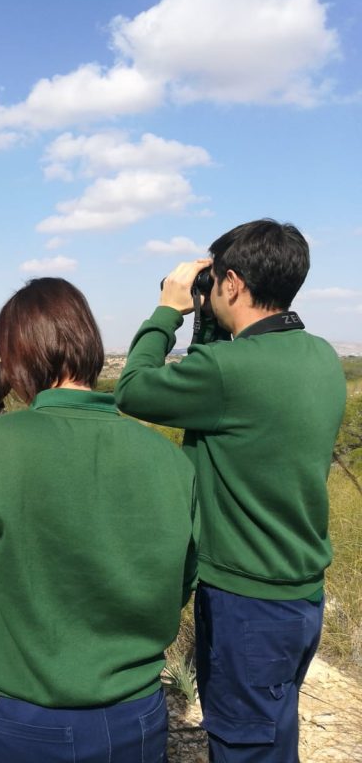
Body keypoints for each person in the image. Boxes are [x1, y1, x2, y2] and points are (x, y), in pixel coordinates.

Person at [0, 277, 198, 763]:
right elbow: (179, 583)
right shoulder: (169, 460)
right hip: (134, 718)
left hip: (14, 722)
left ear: (17, 360)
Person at [114, 219, 347, 762]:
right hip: (300, 595)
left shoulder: (228, 372)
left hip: (247, 600)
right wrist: (214, 321)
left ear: (233, 283)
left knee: (244, 746)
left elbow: (133, 389)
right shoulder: (321, 358)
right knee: (273, 732)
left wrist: (170, 310)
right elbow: (230, 376)